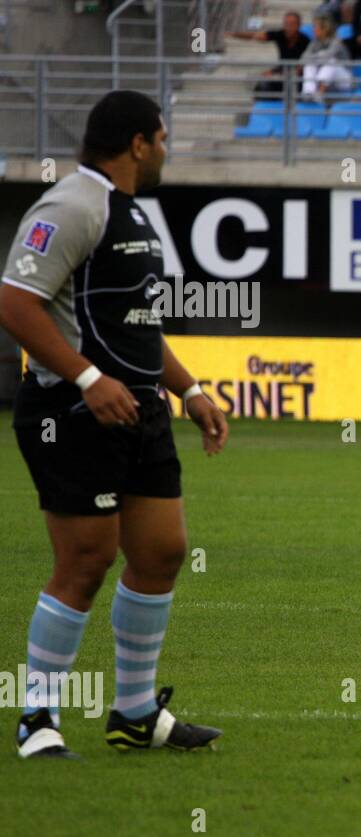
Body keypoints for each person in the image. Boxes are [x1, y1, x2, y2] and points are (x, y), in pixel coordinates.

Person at [1, 91, 227, 759]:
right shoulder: (74, 203)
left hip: (140, 411)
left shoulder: (129, 212)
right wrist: (86, 379)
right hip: (73, 413)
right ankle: (36, 718)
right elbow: (15, 302)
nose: (166, 149)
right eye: (162, 138)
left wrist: (189, 390)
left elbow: (135, 325)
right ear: (136, 143)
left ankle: (133, 715)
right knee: (86, 560)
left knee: (160, 553)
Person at [226, 10, 311, 99]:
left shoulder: (306, 41)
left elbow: (304, 66)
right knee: (261, 84)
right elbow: (256, 36)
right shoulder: (280, 34)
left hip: (298, 76)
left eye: (292, 24)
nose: (288, 27)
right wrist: (235, 34)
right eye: (286, 24)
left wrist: (277, 73)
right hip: (282, 71)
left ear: (299, 25)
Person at [301, 14, 354, 100]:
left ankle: (319, 94)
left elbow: (327, 56)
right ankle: (309, 93)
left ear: (325, 29)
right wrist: (317, 56)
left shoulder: (336, 41)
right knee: (309, 64)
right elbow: (303, 58)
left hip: (343, 79)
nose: (313, 30)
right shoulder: (314, 42)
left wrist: (315, 56)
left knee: (331, 61)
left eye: (316, 27)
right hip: (325, 79)